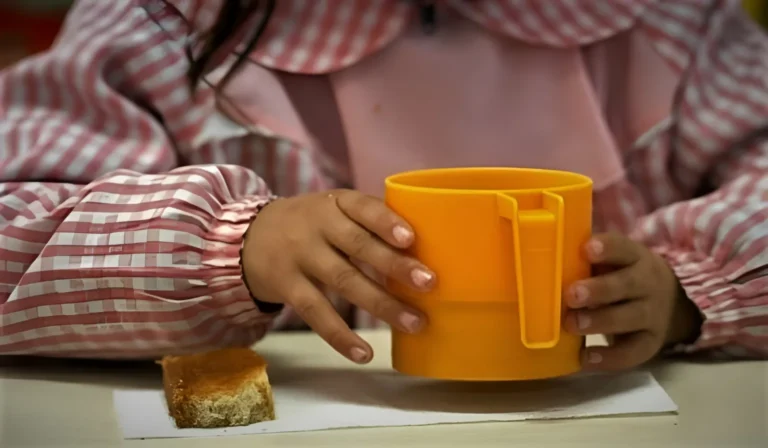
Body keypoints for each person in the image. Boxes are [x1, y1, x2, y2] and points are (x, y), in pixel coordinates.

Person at [0, 0, 766, 369]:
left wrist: (688, 293)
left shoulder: (669, 24)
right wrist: (237, 249)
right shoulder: (159, 25)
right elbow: (13, 230)